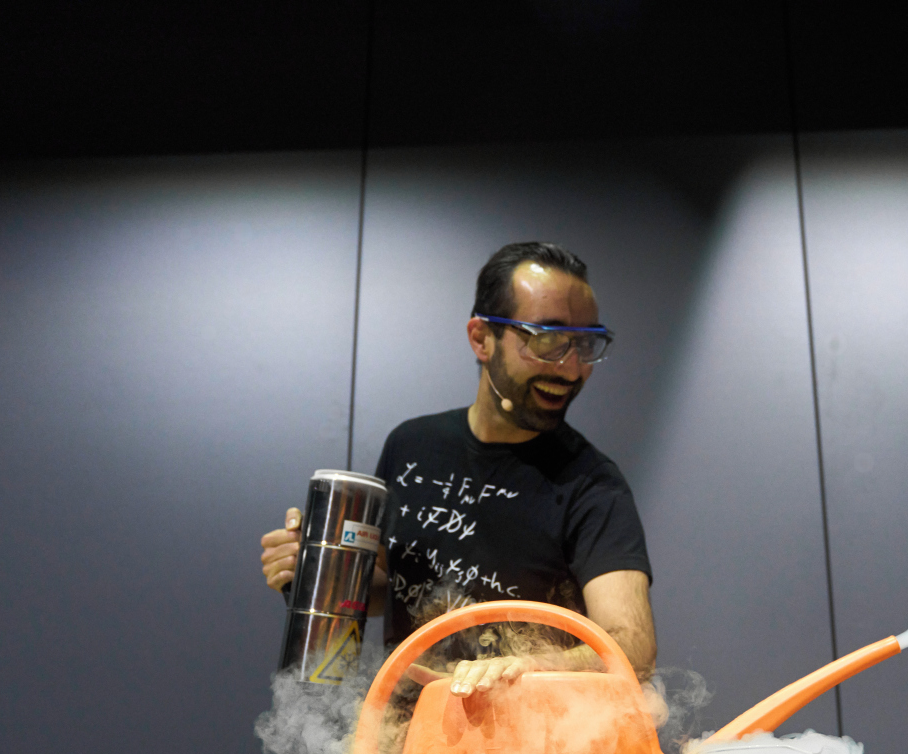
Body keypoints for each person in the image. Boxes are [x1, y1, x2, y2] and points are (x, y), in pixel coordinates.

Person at [259, 242, 656, 697]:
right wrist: (312, 567)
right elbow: (387, 588)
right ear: (481, 338)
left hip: (530, 751)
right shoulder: (412, 445)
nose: (570, 368)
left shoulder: (592, 485)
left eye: (585, 344)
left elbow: (631, 650)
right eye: (547, 339)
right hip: (405, 738)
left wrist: (522, 667)